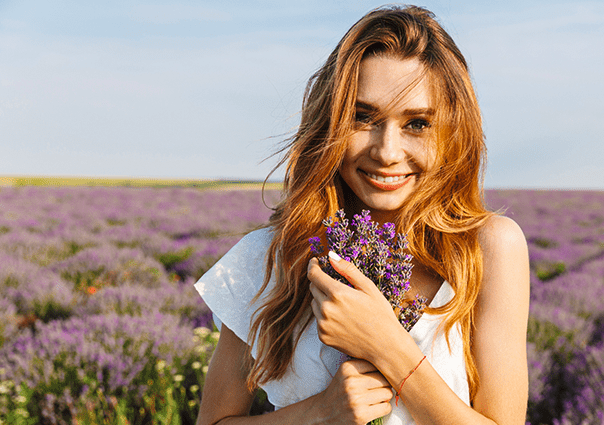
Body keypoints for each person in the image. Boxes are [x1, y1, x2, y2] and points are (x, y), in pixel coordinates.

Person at [194, 5, 529, 424]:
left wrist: (387, 345)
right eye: (363, 117)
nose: (387, 152)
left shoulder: (487, 248)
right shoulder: (270, 256)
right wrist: (320, 412)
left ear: (452, 131)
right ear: (330, 123)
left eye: (418, 123)